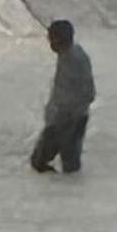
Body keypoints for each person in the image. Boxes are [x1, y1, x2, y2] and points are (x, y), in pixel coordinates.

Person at [30, 20, 96, 174]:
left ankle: (69, 195)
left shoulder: (76, 58)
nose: (50, 43)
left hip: (70, 118)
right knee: (41, 161)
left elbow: (88, 91)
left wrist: (71, 114)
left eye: (51, 39)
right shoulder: (66, 56)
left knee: (68, 163)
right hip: (61, 117)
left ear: (60, 39)